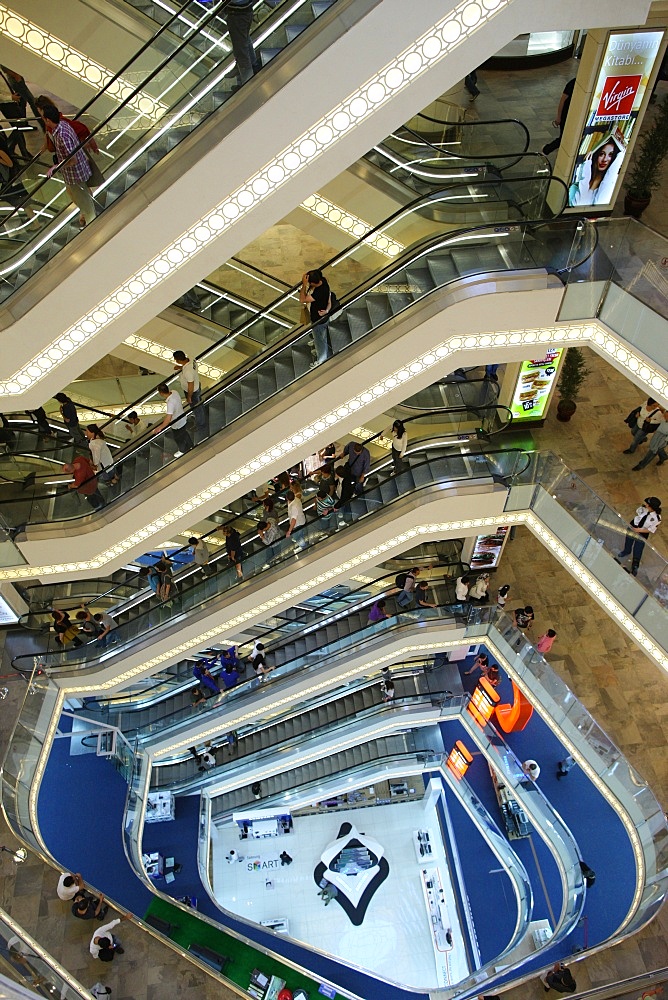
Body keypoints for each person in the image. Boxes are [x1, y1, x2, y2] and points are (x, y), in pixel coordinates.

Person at [41, 103, 97, 225]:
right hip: (77, 172)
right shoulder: (62, 126)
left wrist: (57, 166)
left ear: (48, 120)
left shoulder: (62, 136)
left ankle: (92, 224)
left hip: (75, 174)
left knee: (84, 201)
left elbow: (73, 159)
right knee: (84, 198)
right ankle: (89, 219)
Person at [568, 134, 623, 208]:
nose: (605, 159)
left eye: (610, 155)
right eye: (602, 154)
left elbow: (599, 204)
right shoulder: (577, 186)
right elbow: (579, 204)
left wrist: (620, 156)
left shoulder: (608, 187)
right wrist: (586, 166)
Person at [616, 497, 662, 576]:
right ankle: (626, 551)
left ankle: (635, 564)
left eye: (648, 504)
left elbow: (651, 530)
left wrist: (639, 530)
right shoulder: (643, 508)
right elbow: (638, 513)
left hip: (642, 532)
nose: (646, 505)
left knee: (638, 548)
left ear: (652, 507)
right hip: (633, 526)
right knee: (629, 540)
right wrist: (634, 527)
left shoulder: (657, 518)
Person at [300, 268, 333, 364]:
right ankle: (317, 342)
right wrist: (327, 310)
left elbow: (302, 299)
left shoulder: (318, 293)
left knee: (321, 342)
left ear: (313, 283)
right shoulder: (324, 281)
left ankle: (321, 360)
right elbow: (329, 300)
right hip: (322, 317)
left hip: (318, 321)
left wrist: (303, 284)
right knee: (320, 338)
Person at [152, 383, 193, 456]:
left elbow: (168, 419)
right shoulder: (174, 392)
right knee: (184, 433)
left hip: (177, 423)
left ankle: (182, 450)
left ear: (161, 393)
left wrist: (158, 429)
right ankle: (190, 445)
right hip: (182, 417)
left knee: (178, 437)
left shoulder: (170, 403)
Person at [173, 350, 205, 433]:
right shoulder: (191, 359)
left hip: (192, 392)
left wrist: (189, 397)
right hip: (197, 386)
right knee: (198, 403)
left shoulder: (188, 372)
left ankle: (200, 424)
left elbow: (190, 385)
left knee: (196, 408)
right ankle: (201, 416)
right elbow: (189, 367)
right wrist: (180, 367)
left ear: (178, 360)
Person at [225, 0, 256, 87]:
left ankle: (247, 84)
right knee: (243, 39)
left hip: (238, 13)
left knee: (240, 47)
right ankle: (251, 64)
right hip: (243, 11)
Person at [542, 78, 575, 155]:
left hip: (572, 116)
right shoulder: (572, 83)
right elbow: (562, 100)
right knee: (563, 138)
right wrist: (558, 117)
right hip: (566, 115)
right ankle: (546, 149)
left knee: (565, 138)